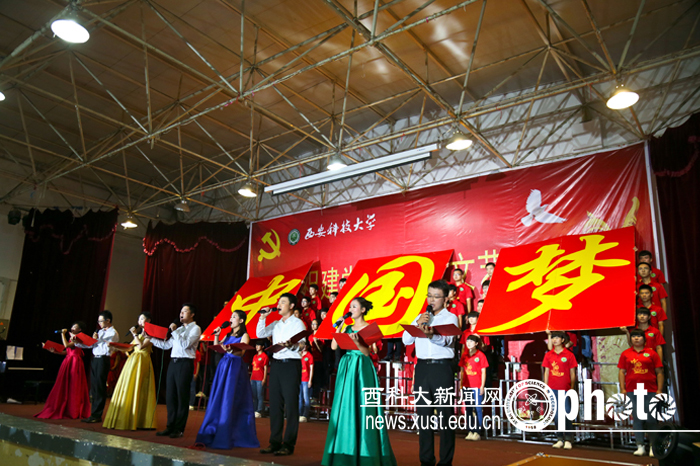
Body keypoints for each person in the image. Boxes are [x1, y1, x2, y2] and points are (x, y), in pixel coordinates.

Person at [323, 297, 397, 466]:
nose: (351, 309)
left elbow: (366, 352)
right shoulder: (347, 327)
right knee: (345, 404)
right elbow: (334, 346)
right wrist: (339, 326)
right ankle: (344, 450)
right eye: (350, 307)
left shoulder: (370, 328)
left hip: (362, 366)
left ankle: (366, 450)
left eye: (354, 306)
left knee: (364, 405)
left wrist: (357, 342)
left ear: (363, 310)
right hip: (347, 365)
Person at [402, 280, 458, 466]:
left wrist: (430, 335)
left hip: (442, 368)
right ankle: (426, 460)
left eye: (436, 296)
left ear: (445, 299)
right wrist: (418, 324)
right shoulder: (421, 317)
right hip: (422, 368)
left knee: (445, 417)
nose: (431, 300)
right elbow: (406, 339)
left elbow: (447, 341)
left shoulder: (450, 318)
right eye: (429, 295)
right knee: (423, 416)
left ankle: (445, 462)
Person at [195, 310, 259, 449]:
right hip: (224, 365)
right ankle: (214, 428)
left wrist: (230, 350)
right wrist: (217, 336)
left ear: (241, 321)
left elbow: (241, 352)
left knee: (230, 396)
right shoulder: (228, 334)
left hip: (234, 366)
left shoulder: (244, 335)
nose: (231, 319)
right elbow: (218, 348)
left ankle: (231, 432)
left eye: (234, 317)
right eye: (231, 316)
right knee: (219, 394)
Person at [257, 293, 307, 457]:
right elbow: (260, 334)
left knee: (291, 405)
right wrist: (263, 317)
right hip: (276, 364)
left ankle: (289, 444)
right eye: (278, 302)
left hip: (291, 365)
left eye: (283, 302)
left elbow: (302, 344)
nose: (279, 305)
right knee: (275, 404)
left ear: (291, 306)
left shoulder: (298, 323)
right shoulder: (276, 324)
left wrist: (291, 345)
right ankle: (274, 442)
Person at [150, 303, 202, 439]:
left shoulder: (195, 329)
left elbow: (185, 345)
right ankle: (170, 426)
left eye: (185, 311)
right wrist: (150, 339)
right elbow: (166, 345)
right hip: (173, 363)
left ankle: (179, 429)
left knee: (181, 396)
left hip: (185, 363)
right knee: (171, 396)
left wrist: (174, 331)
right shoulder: (179, 329)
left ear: (192, 314)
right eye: (181, 311)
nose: (181, 313)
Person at [102, 312, 158, 430]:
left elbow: (141, 346)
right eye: (139, 319)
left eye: (142, 319)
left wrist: (134, 334)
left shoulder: (151, 333)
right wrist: (115, 346)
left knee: (140, 387)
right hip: (133, 361)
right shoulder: (139, 334)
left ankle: (141, 420)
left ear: (149, 320)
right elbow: (129, 348)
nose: (140, 321)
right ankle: (127, 417)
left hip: (142, 360)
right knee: (129, 386)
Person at [618, 329, 664, 457]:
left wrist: (659, 390)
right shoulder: (625, 354)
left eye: (639, 336)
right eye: (634, 336)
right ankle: (640, 446)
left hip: (650, 390)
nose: (636, 338)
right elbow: (621, 372)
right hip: (633, 390)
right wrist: (623, 389)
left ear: (644, 339)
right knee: (637, 418)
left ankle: (653, 446)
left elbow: (660, 372)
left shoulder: (652, 353)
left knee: (651, 418)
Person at [36, 322, 91, 419]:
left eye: (75, 327)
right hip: (68, 360)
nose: (72, 328)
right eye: (72, 326)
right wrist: (54, 351)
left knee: (73, 384)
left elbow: (66, 345)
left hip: (75, 362)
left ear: (80, 330)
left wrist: (62, 334)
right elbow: (67, 352)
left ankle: (73, 409)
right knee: (64, 384)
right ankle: (64, 406)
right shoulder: (72, 338)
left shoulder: (79, 337)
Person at [75, 310, 119, 423]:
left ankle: (97, 415)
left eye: (101, 321)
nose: (99, 323)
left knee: (99, 386)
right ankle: (93, 414)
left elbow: (106, 346)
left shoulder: (113, 333)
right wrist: (77, 342)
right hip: (95, 359)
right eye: (98, 321)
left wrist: (96, 339)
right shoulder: (99, 332)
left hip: (103, 359)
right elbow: (91, 345)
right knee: (94, 387)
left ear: (108, 321)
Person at [542, 331, 577, 450]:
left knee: (567, 412)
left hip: (565, 388)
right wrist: (546, 387)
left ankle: (568, 439)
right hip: (553, 388)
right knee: (557, 414)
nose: (555, 340)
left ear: (563, 340)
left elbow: (572, 373)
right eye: (553, 338)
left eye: (557, 338)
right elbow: (546, 372)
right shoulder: (548, 355)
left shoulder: (569, 355)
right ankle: (560, 438)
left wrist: (572, 387)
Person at [459, 335, 488, 441]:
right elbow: (462, 370)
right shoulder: (464, 355)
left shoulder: (480, 355)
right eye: (468, 341)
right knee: (469, 409)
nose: (469, 343)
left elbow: (483, 371)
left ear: (476, 344)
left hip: (477, 386)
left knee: (478, 408)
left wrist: (482, 386)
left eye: (471, 341)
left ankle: (478, 431)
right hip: (467, 386)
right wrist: (461, 384)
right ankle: (470, 430)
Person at [251, 341, 269, 418]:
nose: (257, 347)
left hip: (260, 378)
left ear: (262, 347)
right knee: (254, 395)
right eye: (256, 345)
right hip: (253, 378)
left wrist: (264, 378)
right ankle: (254, 409)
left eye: (258, 345)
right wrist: (251, 378)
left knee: (260, 395)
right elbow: (253, 368)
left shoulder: (265, 356)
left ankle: (259, 410)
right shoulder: (255, 356)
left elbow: (265, 368)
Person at [298, 340, 314, 422]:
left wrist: (310, 380)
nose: (303, 347)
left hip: (306, 379)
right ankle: (299, 414)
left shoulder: (309, 356)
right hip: (299, 379)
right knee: (299, 398)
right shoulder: (299, 355)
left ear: (307, 346)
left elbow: (311, 369)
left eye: (305, 345)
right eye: (302, 345)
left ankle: (305, 415)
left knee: (306, 397)